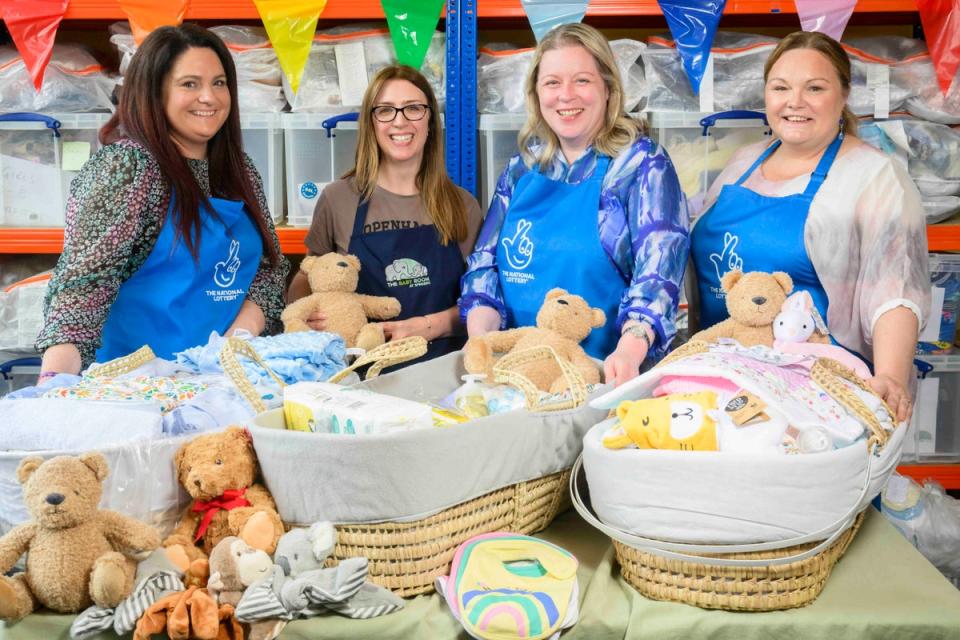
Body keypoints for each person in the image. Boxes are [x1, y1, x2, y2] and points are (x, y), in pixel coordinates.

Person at [690, 31, 930, 422]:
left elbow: (895, 286)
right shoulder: (742, 162)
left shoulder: (873, 175)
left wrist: (890, 374)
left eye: (814, 88)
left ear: (844, 94)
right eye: (780, 87)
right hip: (719, 385)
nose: (794, 102)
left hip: (813, 395)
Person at [36, 24, 289, 377]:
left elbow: (268, 272)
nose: (210, 97)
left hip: (226, 380)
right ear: (154, 92)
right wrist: (53, 386)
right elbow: (83, 287)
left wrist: (229, 348)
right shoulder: (128, 167)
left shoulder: (238, 169)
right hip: (138, 389)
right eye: (190, 84)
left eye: (219, 83)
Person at [460, 23, 689, 387]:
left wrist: (629, 352)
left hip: (608, 377)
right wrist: (481, 341)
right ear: (536, 93)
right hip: (519, 376)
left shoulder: (641, 165)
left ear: (608, 89)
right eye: (552, 83)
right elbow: (484, 268)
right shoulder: (522, 169)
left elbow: (658, 274)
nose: (566, 96)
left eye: (581, 80)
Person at [287, 65, 483, 362]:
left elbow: (482, 305)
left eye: (413, 108)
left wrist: (431, 327)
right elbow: (307, 274)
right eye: (386, 110)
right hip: (361, 376)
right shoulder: (337, 199)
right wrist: (308, 310)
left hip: (444, 372)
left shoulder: (462, 205)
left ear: (430, 120)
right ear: (371, 122)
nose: (400, 121)